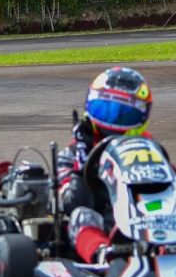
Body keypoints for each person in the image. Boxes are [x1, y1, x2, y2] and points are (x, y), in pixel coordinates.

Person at [56, 66, 153, 263]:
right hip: (101, 223)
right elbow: (73, 203)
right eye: (105, 110)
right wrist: (83, 165)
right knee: (81, 215)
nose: (114, 121)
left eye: (124, 114)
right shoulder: (72, 154)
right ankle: (102, 254)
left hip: (145, 219)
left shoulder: (148, 149)